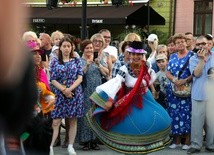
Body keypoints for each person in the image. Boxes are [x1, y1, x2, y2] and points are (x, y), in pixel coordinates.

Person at [85, 41, 171, 155]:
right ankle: (131, 149)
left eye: (138, 55)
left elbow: (150, 79)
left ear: (142, 55)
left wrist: (153, 90)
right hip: (130, 100)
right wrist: (110, 100)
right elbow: (116, 84)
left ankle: (144, 148)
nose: (136, 57)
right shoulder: (124, 69)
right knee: (132, 125)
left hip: (146, 98)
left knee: (159, 119)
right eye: (133, 54)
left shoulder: (147, 66)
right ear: (129, 55)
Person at [49, 37, 84, 155]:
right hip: (59, 93)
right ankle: (50, 146)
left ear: (72, 47)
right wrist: (64, 90)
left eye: (69, 46)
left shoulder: (76, 60)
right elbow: (52, 79)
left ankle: (70, 146)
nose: (66, 48)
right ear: (60, 48)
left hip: (74, 92)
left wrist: (70, 89)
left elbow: (80, 77)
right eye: (64, 46)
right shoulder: (54, 61)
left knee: (73, 120)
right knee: (56, 121)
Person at [166, 33, 193, 150]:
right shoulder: (172, 57)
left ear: (186, 42)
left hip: (187, 90)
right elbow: (167, 72)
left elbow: (195, 73)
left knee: (187, 115)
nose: (180, 44)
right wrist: (174, 80)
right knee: (174, 114)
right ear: (175, 45)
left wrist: (185, 80)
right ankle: (176, 141)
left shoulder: (192, 55)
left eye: (182, 41)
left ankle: (187, 141)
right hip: (173, 91)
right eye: (177, 43)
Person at [188, 35, 214, 154]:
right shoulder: (193, 59)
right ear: (195, 46)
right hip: (198, 94)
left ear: (209, 44)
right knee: (197, 122)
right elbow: (197, 74)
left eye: (203, 43)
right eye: (198, 44)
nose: (201, 46)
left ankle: (210, 144)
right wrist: (201, 59)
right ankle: (196, 145)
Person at [77, 39, 102, 150]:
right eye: (87, 48)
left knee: (96, 115)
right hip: (85, 90)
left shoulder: (98, 60)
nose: (89, 50)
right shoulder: (79, 60)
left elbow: (107, 73)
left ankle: (94, 140)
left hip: (97, 90)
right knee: (85, 115)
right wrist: (86, 65)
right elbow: (79, 75)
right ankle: (85, 141)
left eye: (91, 48)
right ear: (83, 49)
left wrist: (99, 64)